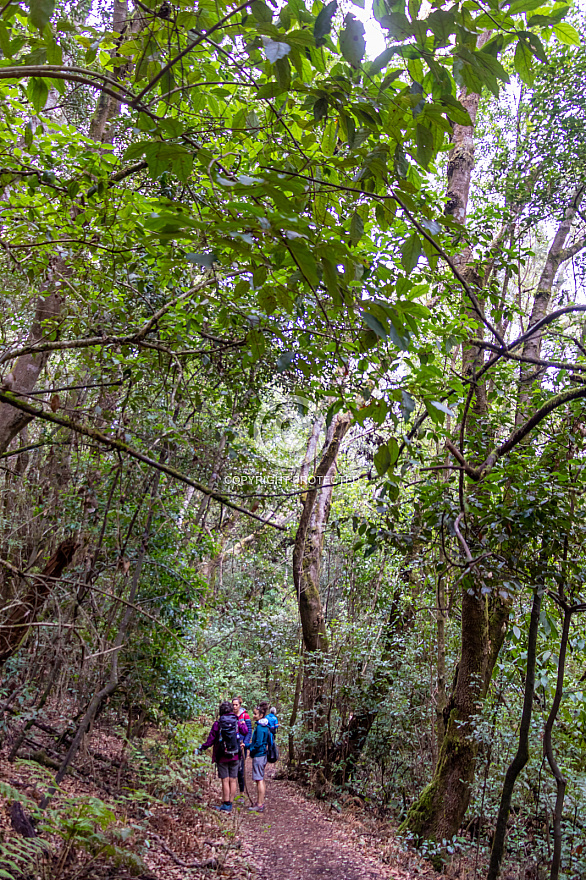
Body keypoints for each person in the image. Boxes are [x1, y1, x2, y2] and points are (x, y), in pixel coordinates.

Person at [199, 701, 248, 812]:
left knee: (225, 780)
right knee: (233, 780)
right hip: (235, 755)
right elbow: (245, 732)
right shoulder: (237, 721)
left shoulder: (218, 723)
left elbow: (210, 740)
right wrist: (243, 723)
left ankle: (226, 804)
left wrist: (201, 748)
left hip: (222, 755)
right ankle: (230, 803)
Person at [248, 700, 271, 812]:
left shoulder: (261, 728)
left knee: (259, 779)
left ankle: (260, 804)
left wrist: (251, 750)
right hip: (261, 754)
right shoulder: (262, 726)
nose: (253, 715)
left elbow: (258, 743)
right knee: (259, 779)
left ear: (261, 715)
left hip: (259, 755)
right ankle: (259, 802)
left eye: (255, 714)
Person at [232, 696, 252, 796]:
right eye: (233, 705)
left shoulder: (245, 716)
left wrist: (245, 742)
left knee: (241, 769)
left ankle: (241, 792)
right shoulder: (230, 715)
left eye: (236, 705)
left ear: (240, 705)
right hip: (232, 746)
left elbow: (249, 731)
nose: (234, 707)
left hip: (241, 745)